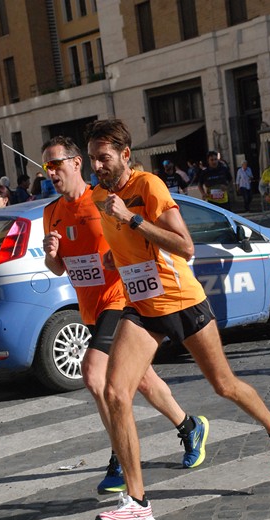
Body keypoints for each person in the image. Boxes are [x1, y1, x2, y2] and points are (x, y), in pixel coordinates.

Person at [86, 118, 270, 520]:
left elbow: (184, 247)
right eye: (93, 158)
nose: (97, 165)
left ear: (125, 155)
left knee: (224, 384)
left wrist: (131, 220)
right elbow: (127, 246)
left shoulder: (148, 188)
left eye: (104, 157)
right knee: (115, 392)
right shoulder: (98, 196)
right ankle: (138, 503)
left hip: (183, 301)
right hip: (142, 306)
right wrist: (117, 256)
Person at [42, 136, 209, 495]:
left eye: (56, 163)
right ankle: (189, 426)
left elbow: (133, 240)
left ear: (76, 164)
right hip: (90, 305)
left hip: (120, 298)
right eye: (46, 166)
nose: (51, 171)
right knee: (143, 379)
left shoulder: (100, 199)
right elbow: (57, 269)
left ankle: (120, 455)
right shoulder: (51, 212)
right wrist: (51, 253)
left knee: (93, 374)